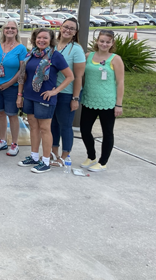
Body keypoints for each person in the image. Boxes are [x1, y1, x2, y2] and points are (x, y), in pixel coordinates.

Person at [16, 28, 74, 174]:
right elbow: (23, 76)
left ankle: (46, 161)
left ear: (51, 40)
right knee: (33, 127)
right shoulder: (30, 54)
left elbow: (70, 76)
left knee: (44, 129)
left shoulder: (55, 56)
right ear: (35, 39)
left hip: (45, 98)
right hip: (29, 96)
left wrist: (55, 91)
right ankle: (34, 156)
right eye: (39, 38)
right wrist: (20, 95)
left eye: (45, 38)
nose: (41, 40)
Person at [80, 30, 125, 172]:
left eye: (108, 42)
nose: (104, 44)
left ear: (112, 43)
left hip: (108, 102)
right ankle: (91, 156)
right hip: (89, 100)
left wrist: (118, 104)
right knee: (85, 129)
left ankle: (103, 162)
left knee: (107, 132)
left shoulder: (115, 59)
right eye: (102, 41)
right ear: (97, 41)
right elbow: (82, 76)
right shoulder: (88, 56)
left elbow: (120, 82)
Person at [0, 21, 27, 156]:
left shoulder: (21, 49)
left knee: (12, 114)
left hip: (12, 87)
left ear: (17, 31)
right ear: (3, 30)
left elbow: (22, 70)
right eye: (7, 28)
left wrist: (9, 83)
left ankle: (14, 144)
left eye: (13, 28)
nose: (10, 30)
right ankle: (2, 140)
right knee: (0, 113)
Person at [50, 18, 85, 166]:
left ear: (75, 32)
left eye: (72, 28)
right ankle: (53, 153)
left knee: (65, 125)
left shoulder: (76, 49)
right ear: (60, 28)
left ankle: (65, 156)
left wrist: (75, 98)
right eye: (65, 27)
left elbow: (78, 77)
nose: (68, 30)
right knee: (52, 125)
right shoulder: (53, 46)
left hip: (68, 93)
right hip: (52, 92)